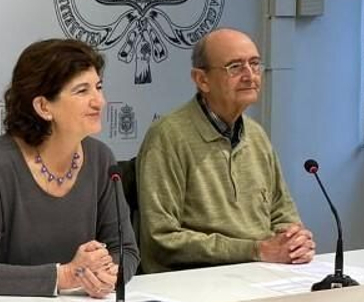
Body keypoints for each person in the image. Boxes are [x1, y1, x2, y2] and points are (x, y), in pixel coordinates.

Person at [0, 39, 137, 296]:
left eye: (99, 87)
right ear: (43, 106)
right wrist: (64, 276)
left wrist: (109, 275)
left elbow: (125, 248)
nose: (99, 101)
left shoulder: (101, 158)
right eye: (82, 91)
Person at [135, 27, 315, 273]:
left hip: (262, 272)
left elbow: (283, 214)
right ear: (202, 80)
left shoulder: (257, 135)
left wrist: (293, 242)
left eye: (255, 64)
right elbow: (162, 238)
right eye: (235, 67)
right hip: (199, 281)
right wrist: (256, 250)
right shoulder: (168, 136)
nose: (250, 75)